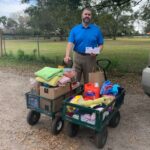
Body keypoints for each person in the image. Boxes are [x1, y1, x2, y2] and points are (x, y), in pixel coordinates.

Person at [64, 7, 104, 83]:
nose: (87, 16)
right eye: (85, 14)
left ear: (91, 16)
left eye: (89, 14)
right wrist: (67, 55)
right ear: (82, 15)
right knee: (74, 80)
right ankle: (75, 94)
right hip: (77, 57)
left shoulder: (96, 30)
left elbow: (101, 44)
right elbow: (70, 43)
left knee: (90, 81)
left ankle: (88, 94)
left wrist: (97, 51)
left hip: (90, 58)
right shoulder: (75, 29)